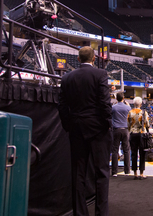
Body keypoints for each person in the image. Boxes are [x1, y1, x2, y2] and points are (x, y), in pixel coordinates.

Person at [58, 46, 112, 216]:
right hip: (98, 129)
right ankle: (101, 213)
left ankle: (80, 213)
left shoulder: (66, 78)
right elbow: (104, 103)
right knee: (101, 173)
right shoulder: (100, 74)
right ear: (94, 59)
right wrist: (107, 123)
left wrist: (68, 125)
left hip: (76, 129)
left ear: (78, 59)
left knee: (78, 173)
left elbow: (61, 105)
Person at [127, 96, 150, 179]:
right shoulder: (144, 112)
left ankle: (135, 173)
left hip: (133, 134)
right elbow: (147, 124)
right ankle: (141, 173)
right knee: (142, 153)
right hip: (141, 134)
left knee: (134, 153)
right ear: (140, 104)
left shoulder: (130, 112)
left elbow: (128, 124)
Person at [111, 92, 131, 177]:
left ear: (116, 98)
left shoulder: (113, 107)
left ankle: (114, 172)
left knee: (115, 150)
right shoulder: (128, 107)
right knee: (126, 150)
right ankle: (127, 171)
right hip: (125, 130)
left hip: (116, 130)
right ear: (123, 98)